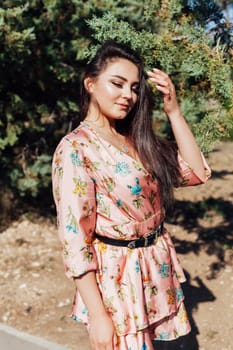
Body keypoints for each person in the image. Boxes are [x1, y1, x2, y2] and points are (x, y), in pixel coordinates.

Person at [52, 40, 211, 350]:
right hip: (119, 288)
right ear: (91, 84)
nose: (128, 95)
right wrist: (98, 316)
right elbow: (75, 240)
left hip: (161, 274)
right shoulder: (75, 149)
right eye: (117, 83)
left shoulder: (136, 139)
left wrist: (174, 111)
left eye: (135, 87)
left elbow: (196, 172)